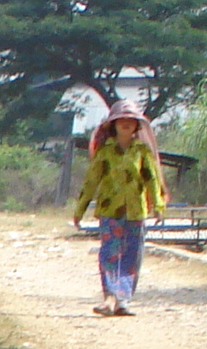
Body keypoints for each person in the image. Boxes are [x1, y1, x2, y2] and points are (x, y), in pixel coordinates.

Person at [72, 100, 169, 316]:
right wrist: (79, 210)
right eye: (121, 120)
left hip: (136, 212)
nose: (126, 124)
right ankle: (109, 298)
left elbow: (151, 180)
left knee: (132, 255)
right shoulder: (105, 152)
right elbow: (91, 182)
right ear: (113, 125)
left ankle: (122, 299)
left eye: (130, 120)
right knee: (109, 254)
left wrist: (158, 205)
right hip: (110, 212)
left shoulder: (142, 151)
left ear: (136, 126)